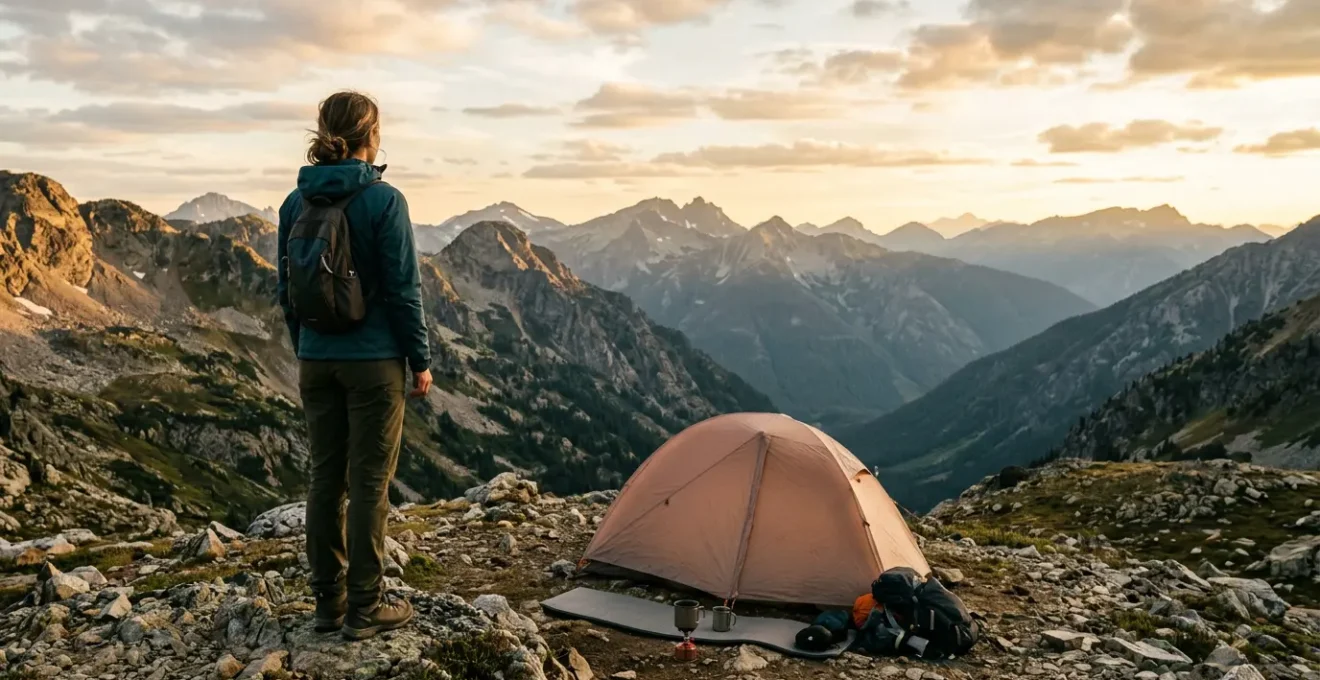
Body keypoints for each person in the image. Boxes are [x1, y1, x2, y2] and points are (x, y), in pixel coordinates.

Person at [276, 90, 433, 640]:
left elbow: (287, 293)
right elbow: (403, 290)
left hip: (316, 362)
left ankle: (328, 607)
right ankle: (366, 608)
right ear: (374, 136)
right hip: (374, 363)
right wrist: (420, 358)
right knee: (369, 484)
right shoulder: (384, 201)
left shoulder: (295, 204)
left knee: (325, 480)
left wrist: (307, 348)